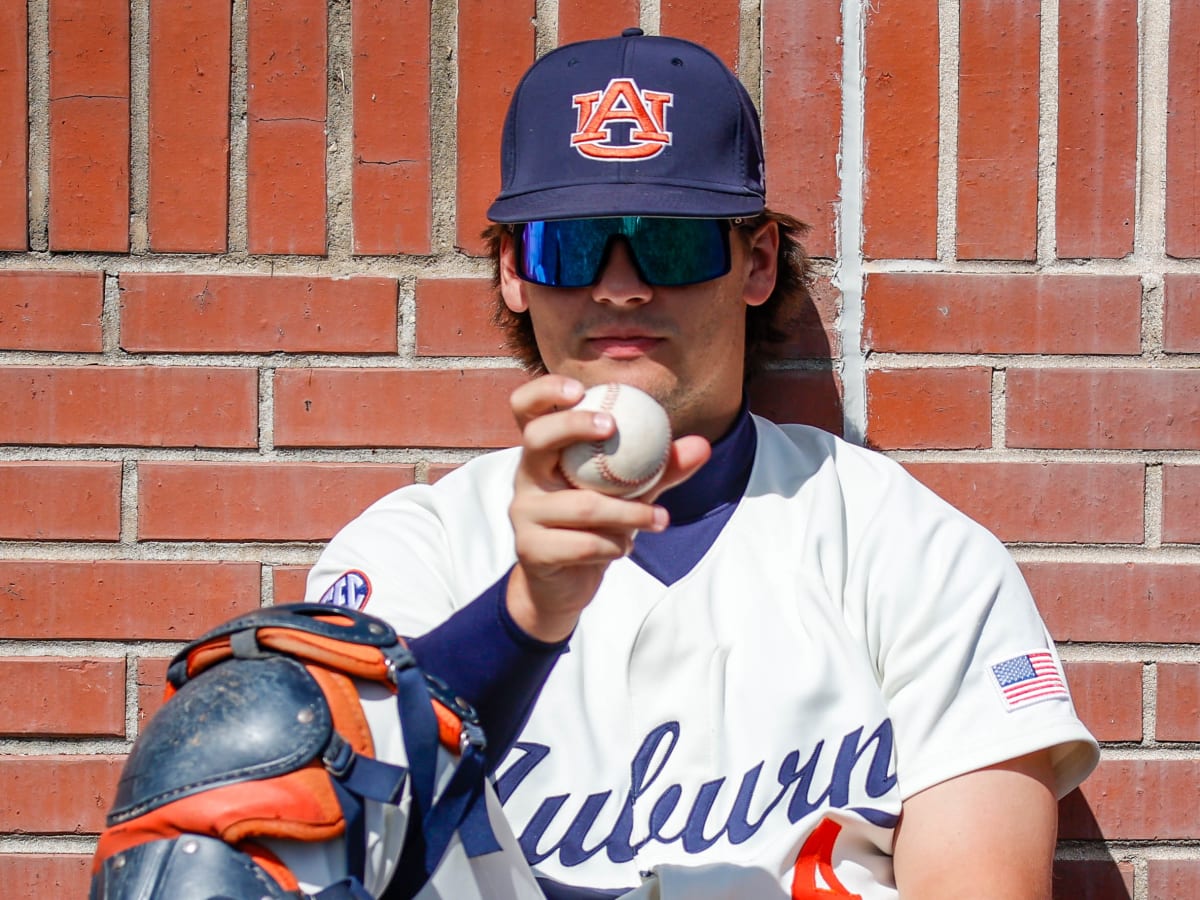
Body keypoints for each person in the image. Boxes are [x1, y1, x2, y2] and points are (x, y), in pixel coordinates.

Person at [89, 28, 1098, 900]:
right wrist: (526, 616)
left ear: (754, 262)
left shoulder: (905, 548)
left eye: (666, 242)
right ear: (513, 274)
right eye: (571, 247)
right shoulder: (425, 548)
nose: (619, 289)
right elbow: (304, 802)